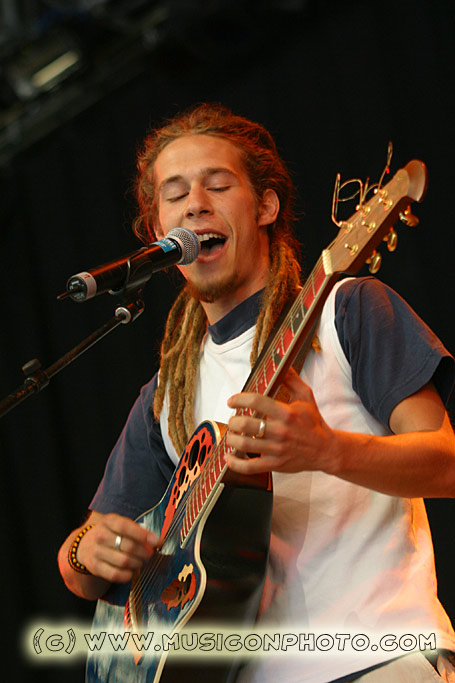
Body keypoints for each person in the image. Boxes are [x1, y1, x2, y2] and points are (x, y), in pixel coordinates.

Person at [58, 103, 455, 682]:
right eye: (175, 194)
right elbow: (83, 564)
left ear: (265, 206)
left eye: (218, 185)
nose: (195, 203)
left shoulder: (345, 312)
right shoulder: (168, 393)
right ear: (158, 231)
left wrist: (329, 450)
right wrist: (86, 552)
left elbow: (447, 462)